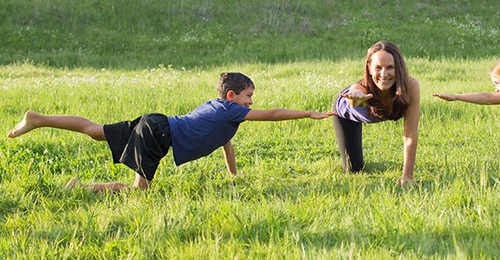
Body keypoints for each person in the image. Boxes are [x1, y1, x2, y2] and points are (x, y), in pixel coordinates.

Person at [7, 72, 334, 191]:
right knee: (139, 191)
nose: (253, 103)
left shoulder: (219, 111)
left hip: (156, 122)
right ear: (233, 96)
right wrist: (309, 113)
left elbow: (226, 145)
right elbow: (275, 114)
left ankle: (39, 118)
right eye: (249, 96)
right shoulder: (235, 110)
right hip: (159, 134)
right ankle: (80, 187)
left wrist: (233, 176)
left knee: (94, 130)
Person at [333, 41, 421, 185]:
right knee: (354, 169)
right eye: (378, 67)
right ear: (369, 68)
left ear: (399, 68)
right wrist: (356, 98)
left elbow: (410, 135)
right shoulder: (361, 89)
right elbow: (354, 96)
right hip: (345, 115)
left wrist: (407, 176)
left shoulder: (410, 87)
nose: (384, 74)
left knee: (356, 169)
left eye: (390, 67)